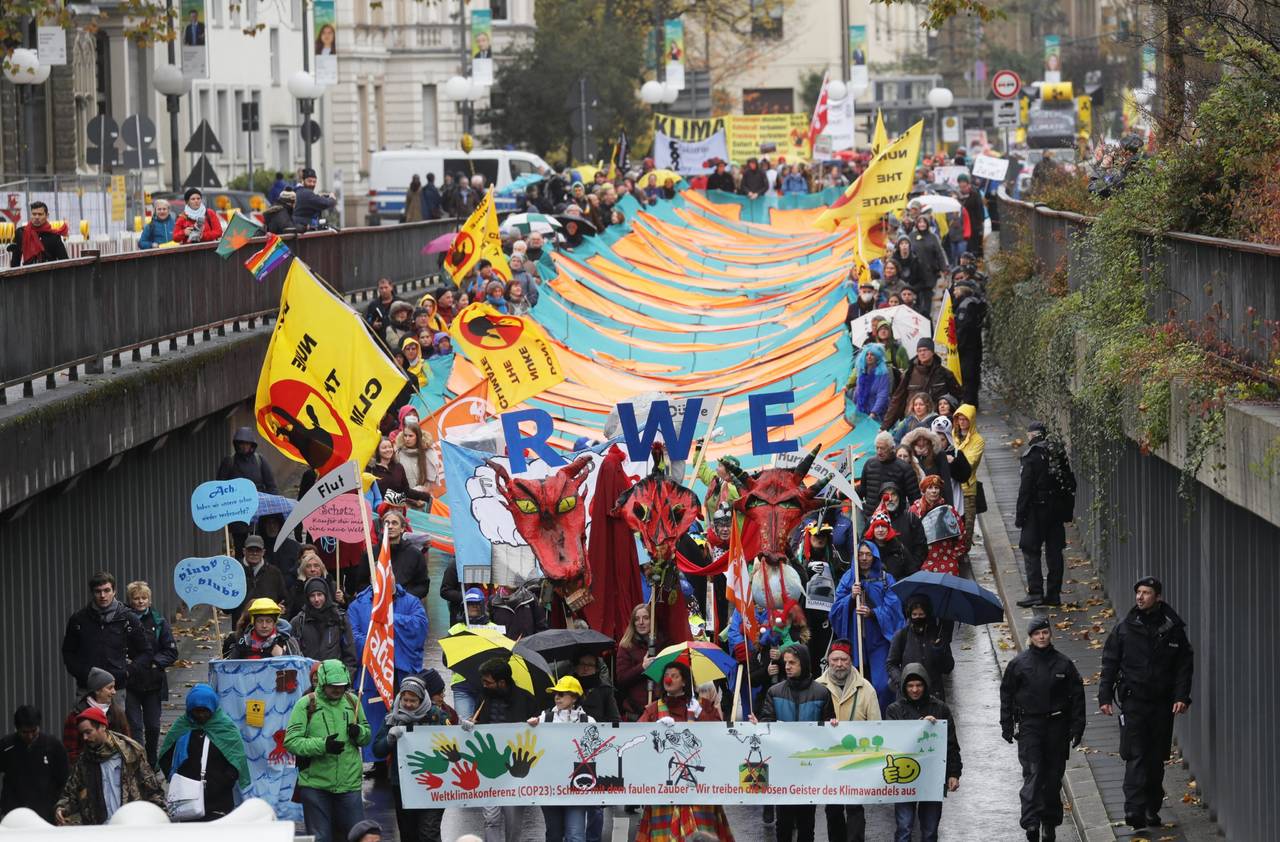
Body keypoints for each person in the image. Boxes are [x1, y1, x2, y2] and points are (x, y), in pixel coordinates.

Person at [1098, 577, 1194, 831]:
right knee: (1136, 755)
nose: (1140, 597)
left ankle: (1152, 807)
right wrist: (1104, 697)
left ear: (1158, 597)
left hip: (1162, 705)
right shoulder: (1125, 628)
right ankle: (1133, 809)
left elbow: (1184, 666)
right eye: (1138, 592)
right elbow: (1110, 662)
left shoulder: (1173, 630)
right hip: (1134, 703)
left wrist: (1181, 696)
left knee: (1155, 759)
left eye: (1146, 593)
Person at [1001, 618, 1085, 842]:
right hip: (1030, 726)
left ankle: (1049, 822)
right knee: (1033, 774)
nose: (1041, 637)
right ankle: (1031, 822)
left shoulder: (1064, 664)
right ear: (1030, 636)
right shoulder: (1018, 664)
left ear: (1050, 635)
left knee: (1053, 777)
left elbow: (1077, 696)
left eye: (1045, 633)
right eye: (1037, 633)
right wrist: (1007, 724)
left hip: (1057, 726)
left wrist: (1078, 727)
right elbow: (1007, 694)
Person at [635, 661, 732, 841]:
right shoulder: (654, 708)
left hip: (697, 787)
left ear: (685, 681)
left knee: (700, 834)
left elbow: (718, 737)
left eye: (675, 675)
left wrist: (702, 716)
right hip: (664, 787)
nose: (668, 679)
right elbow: (638, 741)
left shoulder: (701, 705)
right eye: (667, 674)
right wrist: (652, 732)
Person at [752, 644, 835, 842]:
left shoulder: (822, 693)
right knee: (784, 824)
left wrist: (833, 725)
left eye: (792, 662)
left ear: (803, 664)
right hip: (783, 768)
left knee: (807, 825)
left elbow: (828, 732)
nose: (787, 666)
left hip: (809, 769)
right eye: (786, 662)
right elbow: (767, 723)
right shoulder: (775, 692)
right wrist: (760, 726)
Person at [285, 660, 371, 842]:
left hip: (349, 785)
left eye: (341, 686)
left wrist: (359, 733)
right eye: (333, 686)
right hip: (315, 785)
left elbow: (366, 736)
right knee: (320, 838)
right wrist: (323, 746)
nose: (338, 690)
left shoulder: (353, 701)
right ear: (323, 682)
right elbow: (291, 742)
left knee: (355, 837)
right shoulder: (305, 704)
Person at [60, 572, 152, 725]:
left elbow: (146, 652)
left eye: (107, 590)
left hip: (116, 688)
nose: (103, 595)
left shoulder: (128, 618)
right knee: (86, 730)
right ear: (92, 593)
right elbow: (68, 652)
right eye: (98, 591)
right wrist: (83, 673)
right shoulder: (79, 619)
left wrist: (128, 672)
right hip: (87, 687)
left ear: (114, 591)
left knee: (115, 732)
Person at [372, 673, 453, 842]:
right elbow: (377, 750)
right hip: (402, 784)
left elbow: (455, 742)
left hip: (433, 783)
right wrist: (389, 739)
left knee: (429, 832)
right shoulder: (392, 718)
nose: (408, 705)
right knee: (408, 834)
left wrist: (467, 730)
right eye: (405, 700)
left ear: (422, 700)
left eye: (413, 701)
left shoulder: (436, 716)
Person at [813, 639, 879, 840]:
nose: (839, 664)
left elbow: (876, 726)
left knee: (855, 807)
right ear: (828, 661)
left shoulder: (866, 689)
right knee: (832, 809)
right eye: (835, 660)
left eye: (844, 659)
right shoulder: (816, 686)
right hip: (828, 760)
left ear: (851, 661)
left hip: (856, 759)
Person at [886, 664, 962, 842]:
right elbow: (893, 742)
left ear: (925, 685)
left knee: (929, 831)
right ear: (904, 686)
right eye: (910, 685)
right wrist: (920, 725)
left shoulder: (941, 708)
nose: (915, 690)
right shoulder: (893, 710)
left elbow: (951, 744)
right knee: (904, 828)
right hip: (904, 779)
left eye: (919, 685)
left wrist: (953, 773)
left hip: (932, 778)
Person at [54, 707, 165, 825]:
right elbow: (71, 793)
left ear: (102, 727)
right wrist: (61, 808)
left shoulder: (130, 754)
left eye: (88, 732)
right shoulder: (84, 761)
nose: (85, 738)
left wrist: (161, 818)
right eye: (82, 734)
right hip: (99, 828)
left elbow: (152, 789)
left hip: (130, 825)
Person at [830, 541, 906, 712]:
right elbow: (835, 611)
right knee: (855, 687)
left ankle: (882, 718)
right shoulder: (848, 578)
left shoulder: (886, 579)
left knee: (882, 686)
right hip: (855, 642)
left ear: (874, 556)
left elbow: (894, 611)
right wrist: (850, 597)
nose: (864, 558)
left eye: (868, 554)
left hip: (878, 641)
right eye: (860, 554)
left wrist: (873, 613)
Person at [158, 684, 249, 821]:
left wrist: (220, 783)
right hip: (186, 799)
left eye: (205, 711)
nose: (201, 716)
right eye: (197, 711)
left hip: (219, 801)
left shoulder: (225, 728)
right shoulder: (181, 727)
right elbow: (165, 757)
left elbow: (237, 761)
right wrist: (178, 782)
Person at [525, 676, 595, 842]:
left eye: (562, 693)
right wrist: (529, 726)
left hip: (577, 788)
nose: (557, 697)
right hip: (550, 787)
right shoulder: (544, 719)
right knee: (554, 835)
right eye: (555, 693)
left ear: (574, 697)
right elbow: (528, 739)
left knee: (576, 836)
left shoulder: (588, 721)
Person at [473, 659, 535, 842]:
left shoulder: (525, 699)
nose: (484, 685)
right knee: (490, 819)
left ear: (502, 682)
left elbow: (538, 733)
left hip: (515, 769)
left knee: (513, 820)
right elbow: (477, 725)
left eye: (488, 682)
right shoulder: (483, 698)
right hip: (489, 767)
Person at [1014, 422, 1076, 607]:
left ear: (1032, 435)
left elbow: (1025, 487)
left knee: (1030, 549)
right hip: (1056, 510)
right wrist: (1067, 511)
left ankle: (1035, 592)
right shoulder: (1058, 453)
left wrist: (1020, 514)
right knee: (1055, 551)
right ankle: (1054, 593)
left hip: (1036, 509)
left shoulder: (1031, 455)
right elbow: (1069, 483)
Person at [122, 582, 177, 766]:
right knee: (135, 726)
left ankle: (152, 759)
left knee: (153, 726)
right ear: (130, 600)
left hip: (153, 682)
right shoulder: (123, 621)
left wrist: (154, 662)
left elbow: (171, 651)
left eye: (143, 598)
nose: (140, 602)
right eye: (136, 598)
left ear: (149, 599)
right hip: (131, 682)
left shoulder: (159, 621)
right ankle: (139, 762)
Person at [1, 706, 69, 822]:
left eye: (34, 731)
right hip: (14, 812)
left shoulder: (53, 746)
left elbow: (64, 780)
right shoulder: (7, 746)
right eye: (25, 732)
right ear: (17, 729)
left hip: (46, 813)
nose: (30, 736)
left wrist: (60, 806)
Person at [887, 595, 954, 700]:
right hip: (907, 698)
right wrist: (903, 682)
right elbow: (891, 664)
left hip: (934, 696)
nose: (918, 617)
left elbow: (948, 667)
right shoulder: (902, 635)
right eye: (914, 614)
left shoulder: (937, 634)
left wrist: (939, 650)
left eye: (921, 614)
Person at [883, 338, 961, 429]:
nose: (922, 353)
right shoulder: (909, 374)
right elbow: (897, 399)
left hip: (937, 422)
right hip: (913, 421)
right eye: (919, 351)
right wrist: (885, 427)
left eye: (925, 350)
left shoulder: (944, 373)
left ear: (932, 352)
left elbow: (957, 398)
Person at [62, 668, 131, 763]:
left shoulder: (117, 713)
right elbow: (71, 751)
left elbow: (127, 744)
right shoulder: (75, 716)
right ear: (97, 690)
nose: (114, 692)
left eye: (114, 687)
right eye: (110, 688)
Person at [291, 577, 358, 673]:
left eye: (319, 594)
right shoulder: (298, 622)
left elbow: (350, 654)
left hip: (335, 680)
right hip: (307, 680)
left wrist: (346, 678)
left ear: (326, 595)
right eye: (312, 596)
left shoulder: (339, 619)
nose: (316, 599)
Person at [910, 475, 966, 576]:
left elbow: (961, 533)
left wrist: (954, 555)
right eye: (930, 488)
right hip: (923, 562)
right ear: (924, 490)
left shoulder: (948, 510)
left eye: (936, 488)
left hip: (947, 561)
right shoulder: (914, 511)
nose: (934, 491)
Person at [860, 431, 921, 523]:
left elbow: (915, 499)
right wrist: (843, 493)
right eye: (877, 448)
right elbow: (862, 490)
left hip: (896, 520)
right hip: (872, 519)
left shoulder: (904, 468)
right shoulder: (869, 464)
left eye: (883, 448)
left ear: (892, 448)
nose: (879, 452)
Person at [615, 603, 660, 720]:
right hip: (634, 714)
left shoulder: (662, 644)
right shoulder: (626, 646)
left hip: (658, 712)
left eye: (645, 618)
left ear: (652, 620)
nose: (641, 622)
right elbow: (621, 679)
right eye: (637, 619)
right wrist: (642, 667)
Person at [376, 509, 430, 599]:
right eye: (386, 523)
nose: (390, 526)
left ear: (402, 528)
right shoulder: (371, 553)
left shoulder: (415, 554)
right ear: (382, 528)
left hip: (405, 605)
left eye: (394, 523)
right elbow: (362, 584)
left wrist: (404, 598)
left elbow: (423, 585)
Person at [952, 404, 985, 555]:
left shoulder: (978, 441)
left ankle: (964, 552)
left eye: (966, 419)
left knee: (967, 524)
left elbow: (970, 463)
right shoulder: (952, 434)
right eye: (960, 418)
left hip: (967, 489)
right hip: (952, 486)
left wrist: (953, 460)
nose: (962, 422)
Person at [223, 597, 300, 659]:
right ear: (254, 622)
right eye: (260, 621)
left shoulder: (287, 642)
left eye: (268, 621)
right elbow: (230, 670)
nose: (264, 625)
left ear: (275, 623)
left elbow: (299, 671)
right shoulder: (243, 643)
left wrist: (283, 657)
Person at [8, 200, 69, 267]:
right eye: (34, 214)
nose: (37, 217)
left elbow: (64, 261)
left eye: (40, 214)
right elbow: (15, 262)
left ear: (47, 215)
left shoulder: (54, 236)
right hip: (28, 275)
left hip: (49, 274)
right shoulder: (21, 233)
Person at [903, 428, 954, 506]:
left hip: (936, 501)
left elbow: (946, 482)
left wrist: (950, 505)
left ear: (930, 440)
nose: (921, 443)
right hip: (916, 503)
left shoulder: (939, 455)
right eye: (918, 439)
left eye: (924, 439)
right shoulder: (909, 457)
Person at [572, 653, 621, 724]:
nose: (585, 668)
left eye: (590, 665)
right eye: (582, 664)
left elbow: (615, 720)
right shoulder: (567, 687)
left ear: (596, 669)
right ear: (576, 667)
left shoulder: (604, 689)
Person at [850, 342, 892, 421]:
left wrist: (873, 413)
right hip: (862, 412)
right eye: (867, 354)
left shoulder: (883, 374)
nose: (869, 357)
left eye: (872, 354)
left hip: (877, 415)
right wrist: (854, 409)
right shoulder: (862, 373)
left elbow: (882, 395)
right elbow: (857, 392)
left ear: (877, 357)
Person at [957, 174, 986, 257]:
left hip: (974, 224)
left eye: (964, 186)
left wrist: (981, 222)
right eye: (961, 186)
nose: (963, 189)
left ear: (968, 185)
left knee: (973, 245)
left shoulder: (975, 194)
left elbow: (980, 208)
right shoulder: (957, 194)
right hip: (963, 224)